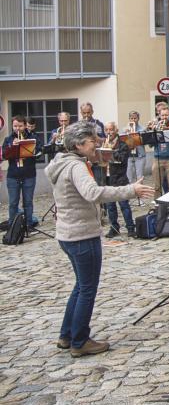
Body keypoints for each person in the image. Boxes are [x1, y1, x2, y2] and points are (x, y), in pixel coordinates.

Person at [46, 120, 154, 356]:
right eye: (91, 141)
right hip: (81, 235)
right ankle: (80, 341)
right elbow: (93, 193)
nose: (96, 144)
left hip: (68, 233)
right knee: (87, 289)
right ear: (77, 144)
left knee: (79, 286)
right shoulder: (75, 166)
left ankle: (66, 335)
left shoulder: (63, 162)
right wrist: (130, 190)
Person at [101, 122, 135, 238]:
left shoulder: (122, 145)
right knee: (110, 206)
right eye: (106, 130)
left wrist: (110, 151)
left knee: (124, 205)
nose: (108, 132)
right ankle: (114, 228)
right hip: (108, 178)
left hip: (120, 178)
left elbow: (122, 159)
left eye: (111, 130)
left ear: (116, 130)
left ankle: (130, 227)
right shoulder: (103, 144)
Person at [3, 115, 39, 227]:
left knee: (28, 202)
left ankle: (29, 225)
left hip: (29, 174)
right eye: (15, 126)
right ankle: (13, 227)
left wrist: (28, 146)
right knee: (13, 203)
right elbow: (4, 155)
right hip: (13, 175)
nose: (17, 128)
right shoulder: (8, 139)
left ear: (24, 125)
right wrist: (12, 147)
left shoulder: (33, 137)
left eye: (20, 126)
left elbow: (38, 153)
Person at [150, 104, 169, 197]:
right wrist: (152, 132)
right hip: (157, 158)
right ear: (159, 115)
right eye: (162, 115)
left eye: (166, 115)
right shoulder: (156, 127)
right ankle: (158, 206)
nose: (164, 117)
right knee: (157, 185)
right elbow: (151, 144)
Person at [79, 103, 105, 185]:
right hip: (83, 158)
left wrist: (96, 137)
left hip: (95, 158)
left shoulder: (98, 124)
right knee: (84, 184)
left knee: (98, 183)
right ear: (81, 113)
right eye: (84, 113)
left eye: (88, 112)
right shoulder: (78, 125)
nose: (86, 115)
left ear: (92, 112)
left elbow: (104, 141)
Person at [123, 112, 147, 186]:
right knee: (128, 177)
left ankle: (140, 194)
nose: (133, 120)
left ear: (138, 119)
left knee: (139, 177)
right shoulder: (124, 129)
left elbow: (145, 142)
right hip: (129, 156)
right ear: (129, 119)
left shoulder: (142, 129)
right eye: (131, 118)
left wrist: (137, 135)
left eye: (135, 118)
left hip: (140, 156)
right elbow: (122, 143)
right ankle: (129, 194)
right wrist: (126, 134)